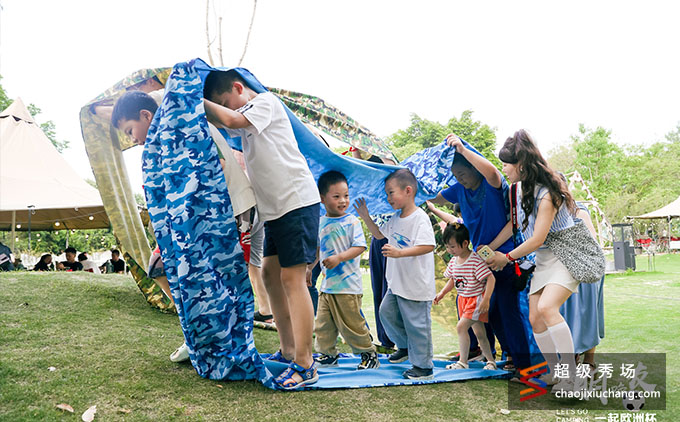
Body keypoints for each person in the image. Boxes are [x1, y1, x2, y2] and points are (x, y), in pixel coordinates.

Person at [204, 70, 320, 389]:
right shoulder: (247, 118)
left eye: (227, 102)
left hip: (296, 202)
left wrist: (196, 100)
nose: (230, 109)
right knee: (269, 275)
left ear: (239, 88)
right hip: (276, 211)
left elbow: (232, 121)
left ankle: (306, 364)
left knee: (291, 279)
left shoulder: (266, 103)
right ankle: (287, 350)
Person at [484, 129, 580, 392]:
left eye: (506, 163)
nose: (503, 168)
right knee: (536, 318)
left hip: (566, 254)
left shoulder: (548, 193)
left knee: (548, 308)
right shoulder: (517, 190)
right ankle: (554, 373)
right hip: (544, 260)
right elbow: (516, 226)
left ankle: (572, 377)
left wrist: (505, 258)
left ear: (522, 165)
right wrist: (491, 249)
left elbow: (537, 238)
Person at [429, 134, 534, 371]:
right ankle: (500, 357)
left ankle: (521, 363)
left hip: (504, 260)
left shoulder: (490, 185)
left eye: (463, 173)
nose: (460, 179)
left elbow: (493, 174)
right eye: (456, 176)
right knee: (489, 314)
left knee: (507, 312)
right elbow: (435, 197)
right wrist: (415, 187)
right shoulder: (458, 190)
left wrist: (463, 149)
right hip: (481, 262)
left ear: (474, 166)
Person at [354, 169, 436, 380]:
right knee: (386, 313)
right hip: (397, 284)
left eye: (391, 193)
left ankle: (424, 367)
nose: (388, 198)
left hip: (416, 286)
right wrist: (365, 216)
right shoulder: (396, 218)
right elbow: (380, 234)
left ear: (408, 191)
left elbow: (427, 245)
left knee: (418, 326)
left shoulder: (420, 218)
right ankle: (405, 347)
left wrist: (400, 253)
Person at [312, 171, 378, 370]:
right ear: (322, 198)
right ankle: (328, 354)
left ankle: (369, 353)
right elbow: (319, 249)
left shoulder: (352, 222)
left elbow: (360, 247)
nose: (343, 201)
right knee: (323, 325)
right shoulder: (321, 222)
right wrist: (310, 268)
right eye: (337, 196)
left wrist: (339, 257)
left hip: (348, 287)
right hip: (327, 285)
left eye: (346, 196)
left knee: (352, 324)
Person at [434, 223, 497, 370]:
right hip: (463, 299)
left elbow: (491, 278)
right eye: (447, 247)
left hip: (475, 300)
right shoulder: (453, 261)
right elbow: (453, 279)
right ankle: (491, 362)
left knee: (461, 328)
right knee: (480, 333)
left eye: (452, 247)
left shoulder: (475, 260)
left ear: (465, 243)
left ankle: (463, 362)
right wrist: (442, 293)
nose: (449, 250)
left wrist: (486, 299)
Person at [559, 202, 605, 371]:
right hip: (563, 273)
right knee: (567, 317)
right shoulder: (548, 212)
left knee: (587, 316)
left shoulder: (577, 211)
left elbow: (591, 242)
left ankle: (589, 363)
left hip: (586, 271)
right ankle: (572, 360)